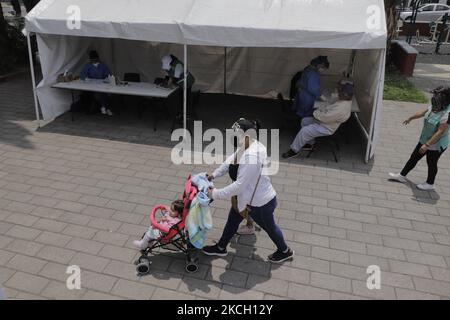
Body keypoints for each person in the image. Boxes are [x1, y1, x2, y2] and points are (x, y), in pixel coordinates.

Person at [203, 118, 294, 263]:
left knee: (270, 227)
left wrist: (215, 193)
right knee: (233, 220)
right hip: (245, 199)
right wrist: (214, 174)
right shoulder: (248, 145)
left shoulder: (251, 156)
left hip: (259, 204)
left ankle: (285, 251)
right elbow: (230, 161)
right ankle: (220, 247)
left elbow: (239, 185)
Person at [389, 86, 450, 191]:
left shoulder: (447, 113)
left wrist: (427, 145)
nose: (435, 97)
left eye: (438, 95)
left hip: (436, 144)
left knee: (431, 162)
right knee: (414, 157)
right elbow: (424, 112)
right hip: (425, 139)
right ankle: (402, 176)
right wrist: (411, 118)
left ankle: (430, 184)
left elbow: (440, 132)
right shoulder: (436, 105)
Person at [282, 81, 354, 159]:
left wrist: (316, 112)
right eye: (340, 91)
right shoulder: (342, 100)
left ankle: (294, 151)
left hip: (326, 127)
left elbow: (324, 117)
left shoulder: (342, 108)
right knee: (304, 121)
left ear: (346, 95)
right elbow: (328, 103)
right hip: (324, 122)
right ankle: (309, 144)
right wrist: (321, 110)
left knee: (305, 131)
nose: (339, 93)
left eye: (341, 92)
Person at [292, 55, 330, 121]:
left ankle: (300, 122)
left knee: (301, 110)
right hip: (307, 97)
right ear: (318, 65)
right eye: (323, 68)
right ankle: (302, 127)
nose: (323, 70)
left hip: (302, 93)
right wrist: (322, 96)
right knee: (305, 114)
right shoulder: (313, 74)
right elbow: (313, 89)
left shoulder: (308, 68)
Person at [80, 50, 114, 116]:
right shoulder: (88, 66)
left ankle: (104, 107)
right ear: (90, 59)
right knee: (97, 94)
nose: (94, 61)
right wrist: (86, 78)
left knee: (104, 93)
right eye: (92, 59)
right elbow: (82, 75)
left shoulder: (103, 65)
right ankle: (105, 108)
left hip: (102, 84)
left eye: (95, 59)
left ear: (98, 58)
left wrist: (107, 78)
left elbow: (109, 74)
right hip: (91, 85)